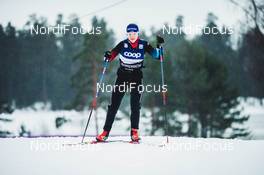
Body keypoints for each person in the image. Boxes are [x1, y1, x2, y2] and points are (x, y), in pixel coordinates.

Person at [96, 23, 164, 142]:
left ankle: (134, 133)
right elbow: (110, 56)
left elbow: (157, 56)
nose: (132, 36)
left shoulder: (144, 44)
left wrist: (159, 49)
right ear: (127, 34)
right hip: (122, 76)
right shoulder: (123, 44)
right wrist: (107, 55)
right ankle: (105, 132)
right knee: (114, 105)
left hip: (136, 76)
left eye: (134, 33)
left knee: (135, 105)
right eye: (129, 34)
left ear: (137, 34)